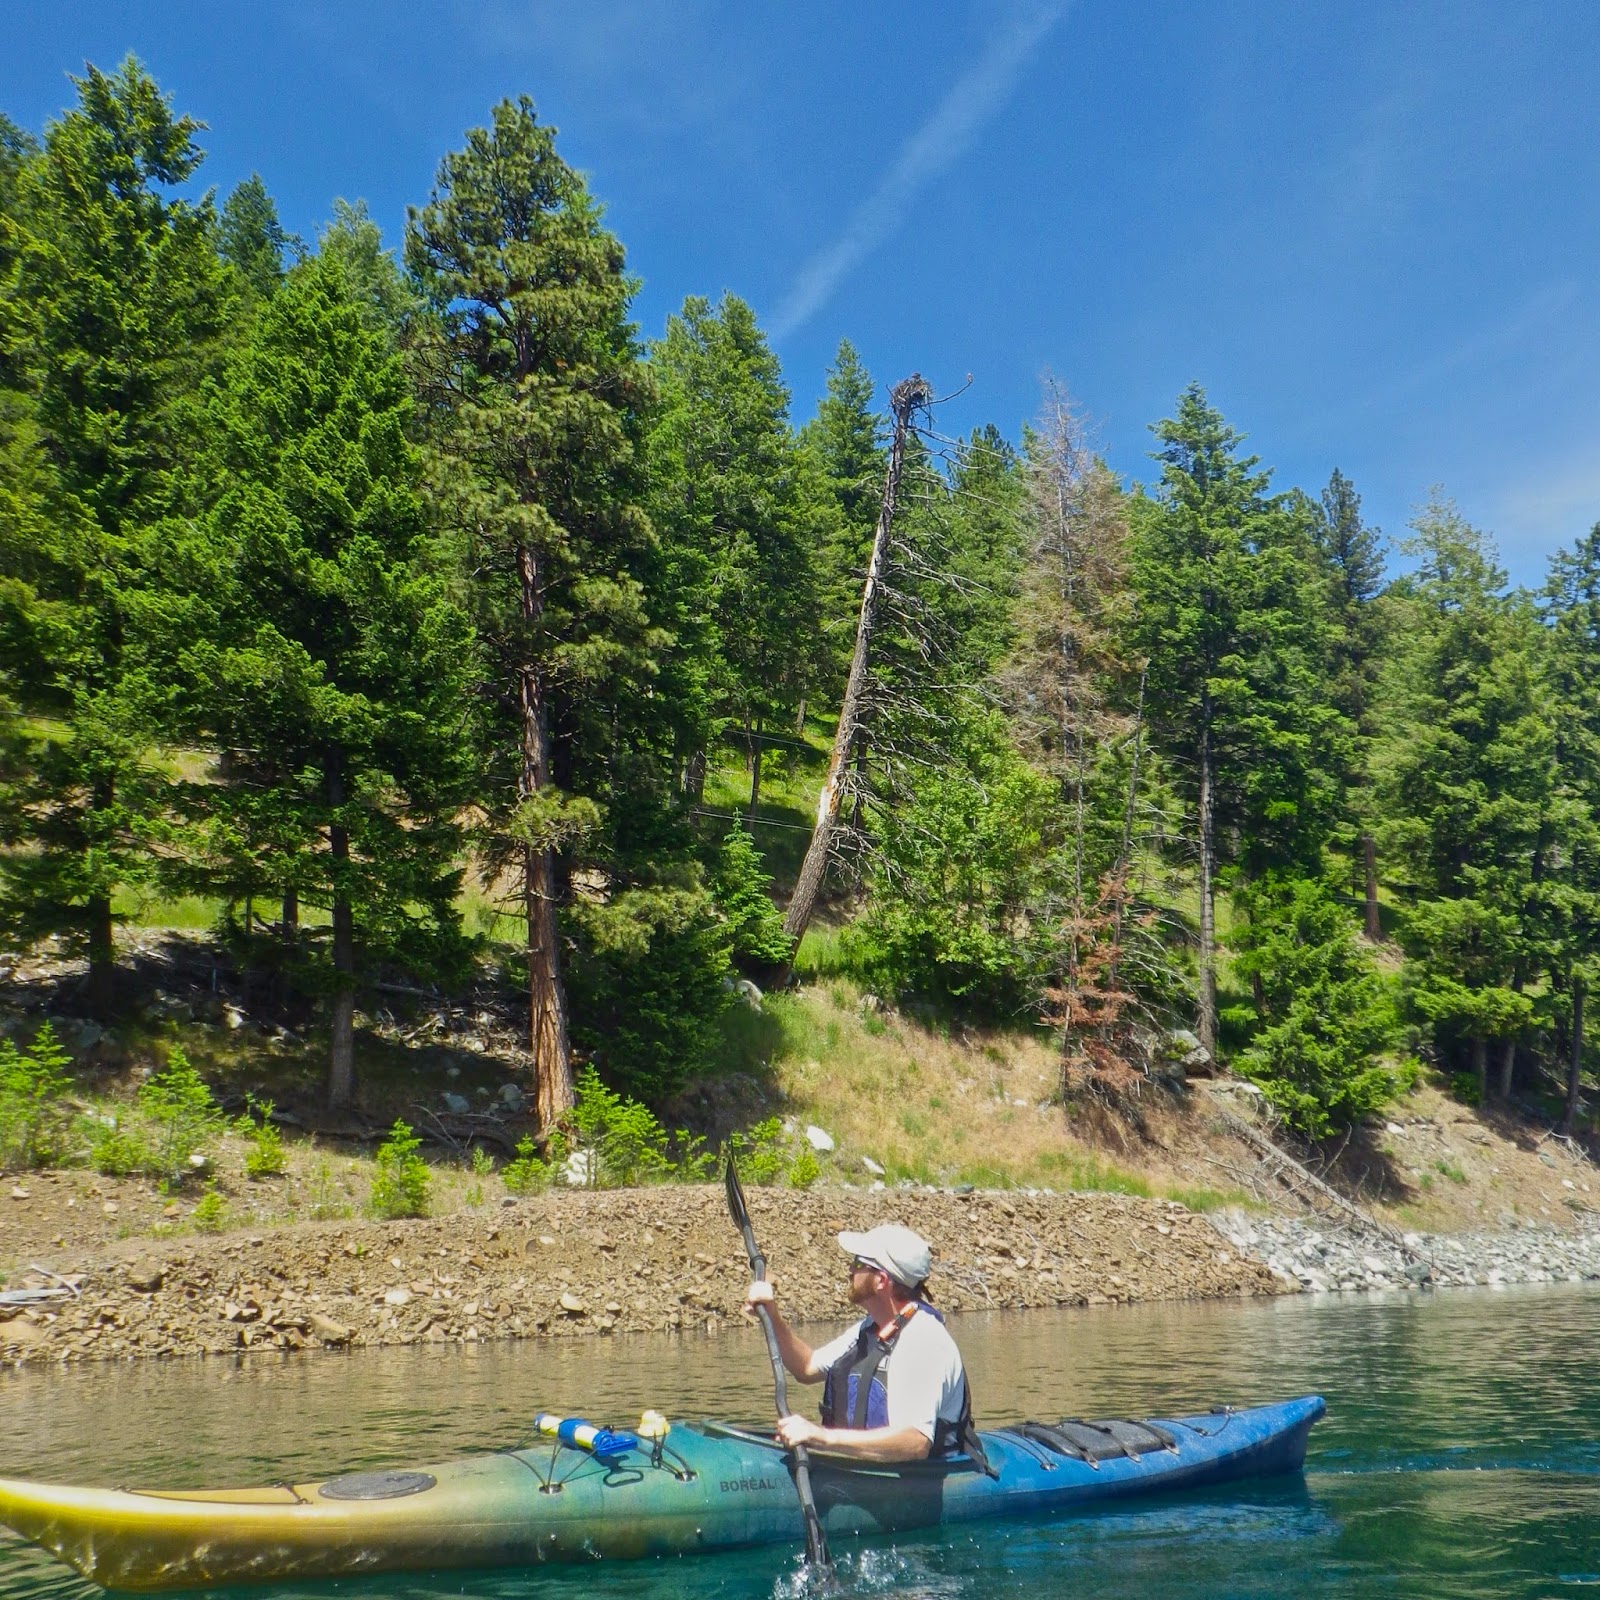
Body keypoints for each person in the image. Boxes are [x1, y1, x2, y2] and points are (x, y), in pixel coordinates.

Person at [744, 1222, 988, 1468]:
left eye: (859, 1263)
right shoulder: (870, 1328)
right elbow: (806, 1367)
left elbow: (916, 1443)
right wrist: (772, 1317)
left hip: (916, 1480)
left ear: (881, 1280)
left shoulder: (924, 1342)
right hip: (863, 1469)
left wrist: (823, 1437)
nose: (850, 1269)